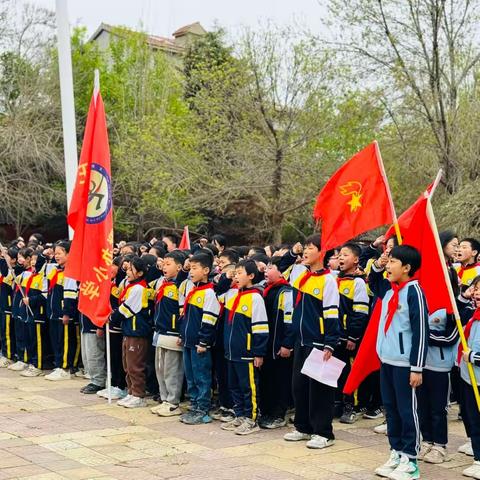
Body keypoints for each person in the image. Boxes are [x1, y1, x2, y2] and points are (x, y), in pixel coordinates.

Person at [369, 245, 429, 480]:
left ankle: (410, 459)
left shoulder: (414, 291)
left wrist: (417, 367)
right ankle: (395, 452)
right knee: (391, 410)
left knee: (407, 411)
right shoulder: (391, 289)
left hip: (405, 363)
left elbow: (421, 331)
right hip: (387, 360)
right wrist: (378, 263)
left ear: (407, 268)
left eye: (393, 262)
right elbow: (373, 280)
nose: (388, 266)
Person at [283, 233, 340, 450]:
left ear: (322, 253)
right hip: (301, 341)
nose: (305, 251)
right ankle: (303, 427)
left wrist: (330, 343)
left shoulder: (328, 281)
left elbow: (332, 314)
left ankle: (323, 432)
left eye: (310, 248)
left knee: (319, 388)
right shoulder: (301, 277)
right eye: (305, 248)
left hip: (318, 342)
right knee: (299, 386)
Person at [219, 260, 268, 435]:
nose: (236, 276)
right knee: (234, 385)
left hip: (246, 352)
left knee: (248, 387)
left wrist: (258, 352)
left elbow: (260, 328)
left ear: (251, 276)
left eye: (240, 273)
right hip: (232, 352)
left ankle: (251, 418)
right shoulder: (232, 296)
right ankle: (239, 414)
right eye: (236, 273)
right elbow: (217, 292)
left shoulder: (255, 298)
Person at [178, 252, 220, 425]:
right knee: (190, 375)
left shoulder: (209, 293)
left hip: (199, 344)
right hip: (188, 341)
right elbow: (185, 317)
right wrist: (182, 335)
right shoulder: (193, 290)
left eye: (195, 268)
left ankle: (203, 408)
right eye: (190, 268)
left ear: (206, 270)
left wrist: (203, 341)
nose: (191, 272)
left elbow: (209, 320)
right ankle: (194, 404)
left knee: (201, 376)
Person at [335, 242, 370, 424]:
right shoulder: (333, 280)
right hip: (334, 336)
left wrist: (352, 336)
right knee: (335, 372)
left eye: (345, 254)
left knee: (350, 371)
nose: (341, 257)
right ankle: (337, 404)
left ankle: (352, 406)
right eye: (339, 254)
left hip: (348, 338)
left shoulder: (358, 283)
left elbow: (360, 313)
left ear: (356, 260)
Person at [259, 256, 294, 429]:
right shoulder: (267, 290)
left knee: (280, 381)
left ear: (281, 272)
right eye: (266, 267)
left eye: (271, 267)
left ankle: (278, 415)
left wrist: (287, 344)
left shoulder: (286, 292)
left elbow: (289, 320)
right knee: (268, 380)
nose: (266, 270)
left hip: (279, 346)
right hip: (267, 345)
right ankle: (266, 412)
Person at [150, 251, 186, 417]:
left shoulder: (182, 285)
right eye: (163, 263)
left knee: (172, 370)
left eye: (168, 263)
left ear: (179, 267)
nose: (164, 267)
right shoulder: (161, 283)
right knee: (161, 368)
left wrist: (181, 332)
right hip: (160, 332)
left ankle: (173, 402)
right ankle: (164, 399)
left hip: (173, 333)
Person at [114, 256, 152, 408]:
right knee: (127, 365)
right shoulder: (130, 287)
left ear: (140, 273)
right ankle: (131, 392)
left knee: (135, 365)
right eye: (127, 268)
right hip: (129, 331)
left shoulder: (139, 288)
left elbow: (126, 309)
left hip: (137, 332)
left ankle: (138, 394)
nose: (127, 272)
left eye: (131, 269)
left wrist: (112, 316)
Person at [44, 241, 80, 381]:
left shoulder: (70, 272)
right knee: (56, 341)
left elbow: (70, 294)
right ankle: (59, 365)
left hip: (63, 314)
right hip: (53, 313)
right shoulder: (56, 270)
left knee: (64, 341)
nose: (56, 256)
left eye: (59, 253)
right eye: (55, 253)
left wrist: (67, 313)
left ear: (69, 254)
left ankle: (65, 368)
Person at [458, 275, 480, 479]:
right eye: (476, 288)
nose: (478, 293)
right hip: (469, 377)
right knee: (472, 418)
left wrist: (473, 356)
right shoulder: (474, 316)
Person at [0, 247, 18, 367]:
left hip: (8, 305)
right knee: (2, 332)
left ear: (14, 260)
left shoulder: (14, 271)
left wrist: (3, 260)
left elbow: (6, 273)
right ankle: (4, 353)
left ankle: (9, 356)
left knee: (7, 332)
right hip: (2, 304)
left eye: (7, 256)